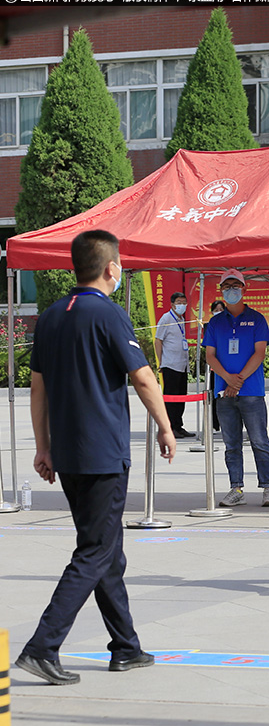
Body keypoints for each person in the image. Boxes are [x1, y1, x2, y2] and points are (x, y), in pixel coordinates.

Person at [16, 230, 174, 686]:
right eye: (120, 264)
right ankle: (43, 646)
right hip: (102, 452)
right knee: (94, 551)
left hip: (68, 453)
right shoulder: (108, 314)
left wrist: (43, 446)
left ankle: (126, 647)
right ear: (111, 269)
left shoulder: (50, 317)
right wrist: (165, 426)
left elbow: (38, 387)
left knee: (107, 551)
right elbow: (143, 378)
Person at [204, 270, 269, 507]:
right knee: (231, 444)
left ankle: (268, 488)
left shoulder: (256, 319)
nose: (231, 290)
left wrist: (240, 379)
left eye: (236, 286)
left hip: (251, 391)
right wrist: (228, 379)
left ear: (244, 290)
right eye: (227, 286)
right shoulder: (215, 322)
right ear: (221, 291)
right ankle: (236, 488)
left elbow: (260, 353)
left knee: (259, 441)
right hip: (224, 392)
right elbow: (210, 356)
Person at [154, 290, 193, 438]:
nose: (182, 305)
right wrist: (160, 362)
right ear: (172, 304)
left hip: (181, 365)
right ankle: (169, 427)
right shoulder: (166, 318)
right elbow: (158, 340)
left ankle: (178, 425)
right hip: (170, 364)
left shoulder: (182, 319)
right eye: (179, 303)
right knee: (171, 397)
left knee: (181, 396)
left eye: (184, 303)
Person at [203, 299, 225, 432]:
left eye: (221, 310)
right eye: (216, 310)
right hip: (214, 367)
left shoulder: (231, 325)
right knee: (214, 395)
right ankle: (214, 424)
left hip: (228, 366)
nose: (219, 312)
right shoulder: (209, 326)